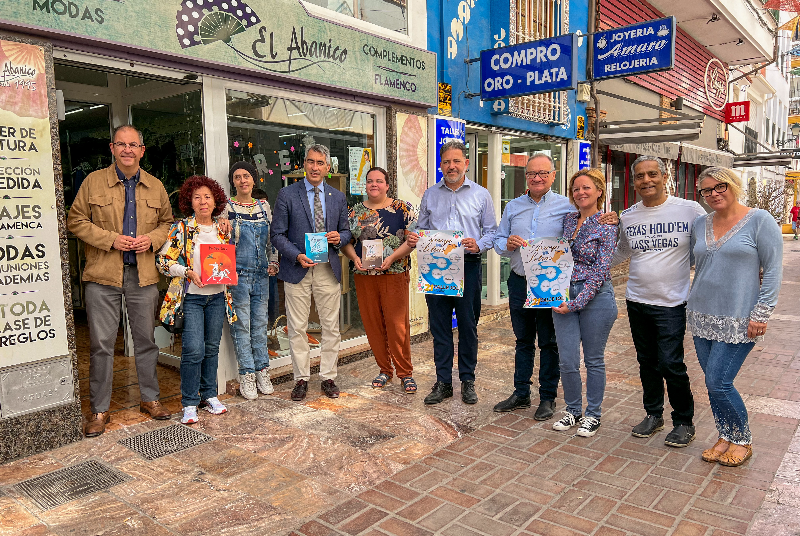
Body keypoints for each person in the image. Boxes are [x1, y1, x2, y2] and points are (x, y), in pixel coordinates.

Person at [67, 124, 173, 437]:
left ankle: (150, 399)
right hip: (102, 275)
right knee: (101, 345)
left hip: (142, 276)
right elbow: (75, 220)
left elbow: (167, 223)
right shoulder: (93, 181)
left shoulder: (155, 186)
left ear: (142, 150)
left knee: (146, 342)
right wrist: (111, 239)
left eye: (133, 145)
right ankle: (99, 410)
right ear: (112, 149)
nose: (127, 150)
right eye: (121, 144)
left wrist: (151, 239)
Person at [688, 167, 782, 466]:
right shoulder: (700, 223)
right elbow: (695, 262)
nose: (714, 194)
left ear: (733, 185)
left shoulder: (760, 221)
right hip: (702, 315)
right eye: (706, 190)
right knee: (711, 381)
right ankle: (724, 435)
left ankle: (742, 439)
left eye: (720, 187)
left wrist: (762, 313)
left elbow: (774, 272)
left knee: (719, 382)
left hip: (740, 318)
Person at [613, 155, 706, 447]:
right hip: (637, 300)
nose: (646, 180)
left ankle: (684, 421)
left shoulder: (690, 210)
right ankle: (654, 414)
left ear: (665, 177)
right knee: (646, 362)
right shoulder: (628, 215)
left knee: (671, 363)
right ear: (634, 181)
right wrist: (580, 262)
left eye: (652, 174)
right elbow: (620, 253)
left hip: (672, 303)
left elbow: (706, 247)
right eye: (640, 176)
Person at [492, 154, 572, 419]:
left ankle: (547, 397)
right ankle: (521, 393)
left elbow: (579, 235)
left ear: (553, 174)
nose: (537, 178)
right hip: (518, 282)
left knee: (549, 342)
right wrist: (507, 244)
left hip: (549, 285)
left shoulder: (567, 206)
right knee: (523, 340)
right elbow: (499, 241)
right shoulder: (513, 206)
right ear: (525, 176)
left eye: (542, 173)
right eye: (531, 174)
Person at [417, 140, 498, 405]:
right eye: (446, 162)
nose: (451, 166)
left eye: (456, 161)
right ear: (441, 165)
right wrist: (415, 236)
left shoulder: (481, 194)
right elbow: (422, 229)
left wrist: (480, 244)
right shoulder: (430, 194)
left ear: (466, 163)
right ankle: (443, 382)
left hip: (468, 265)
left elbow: (492, 232)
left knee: (467, 327)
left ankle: (467, 380)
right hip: (435, 269)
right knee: (439, 328)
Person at [270, 144, 351, 401]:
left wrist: (340, 237)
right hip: (298, 268)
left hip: (328, 268)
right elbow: (277, 235)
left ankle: (328, 377)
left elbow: (347, 232)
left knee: (331, 327)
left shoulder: (337, 197)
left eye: (320, 163)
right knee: (296, 328)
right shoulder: (287, 194)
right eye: (310, 162)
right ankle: (301, 379)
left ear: (328, 168)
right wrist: (296, 255)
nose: (315, 167)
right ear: (304, 165)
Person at [157, 176, 237, 424]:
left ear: (216, 201)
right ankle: (189, 402)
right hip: (191, 298)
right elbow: (163, 262)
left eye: (208, 197)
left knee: (212, 348)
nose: (203, 202)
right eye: (197, 197)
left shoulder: (223, 230)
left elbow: (228, 261)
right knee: (193, 350)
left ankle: (209, 396)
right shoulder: (181, 228)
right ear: (189, 202)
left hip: (216, 297)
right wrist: (186, 272)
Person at [549, 169, 617, 437]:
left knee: (594, 360)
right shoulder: (567, 220)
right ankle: (573, 410)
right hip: (563, 294)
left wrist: (576, 303)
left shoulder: (608, 224)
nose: (580, 193)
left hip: (596, 297)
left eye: (586, 188)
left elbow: (601, 271)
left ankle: (593, 414)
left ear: (599, 191)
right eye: (576, 189)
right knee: (566, 359)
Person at [341, 167, 419, 393]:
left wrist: (392, 257)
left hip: (394, 273)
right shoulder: (354, 212)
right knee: (373, 324)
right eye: (369, 181)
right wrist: (354, 257)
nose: (374, 184)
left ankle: (405, 373)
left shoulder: (402, 209)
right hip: (365, 276)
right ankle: (385, 370)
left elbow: (413, 239)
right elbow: (345, 240)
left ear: (387, 185)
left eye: (379, 181)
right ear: (365, 185)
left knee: (398, 326)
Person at [226, 162, 279, 400]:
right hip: (237, 276)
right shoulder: (225, 208)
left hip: (261, 275)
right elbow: (222, 244)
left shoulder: (264, 206)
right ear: (233, 182)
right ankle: (246, 374)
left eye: (246, 176)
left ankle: (262, 371)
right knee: (242, 326)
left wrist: (274, 261)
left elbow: (273, 240)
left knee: (259, 325)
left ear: (254, 180)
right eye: (237, 177)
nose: (242, 180)